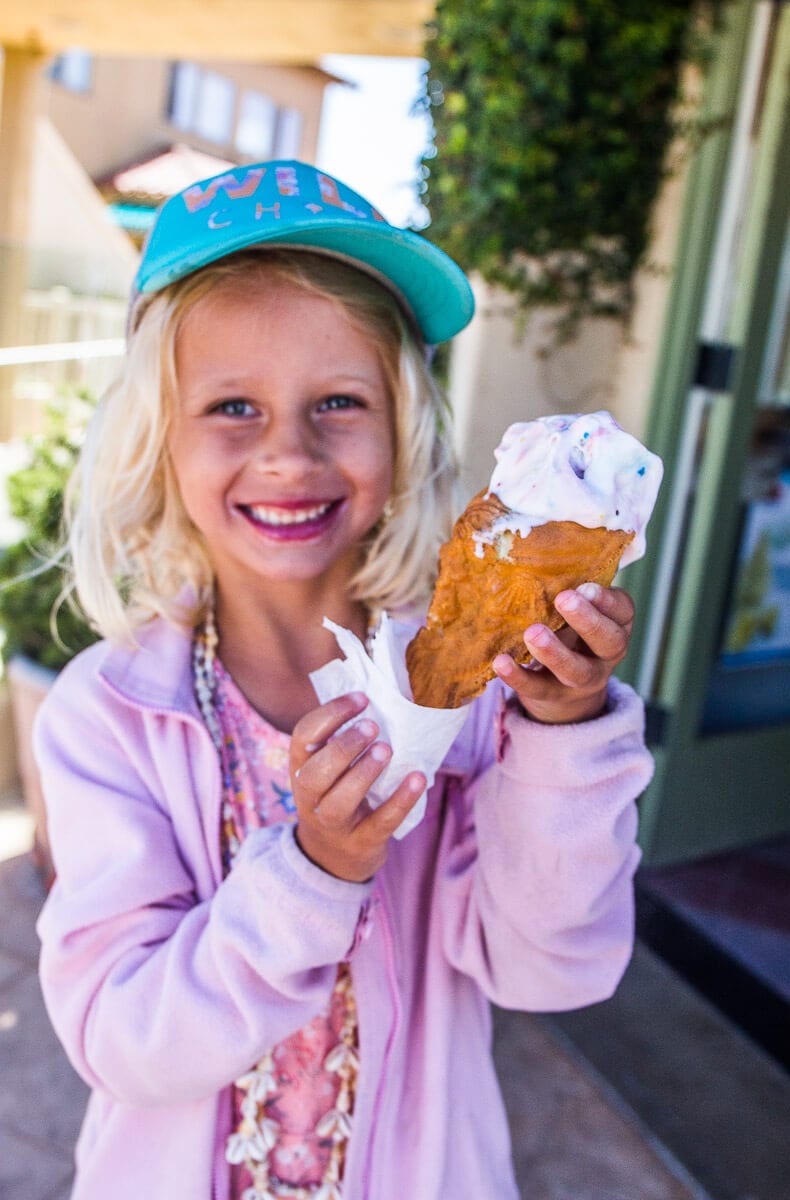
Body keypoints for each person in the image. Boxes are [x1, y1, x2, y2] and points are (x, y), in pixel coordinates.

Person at [35, 159, 653, 1200]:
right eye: (232, 405)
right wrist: (312, 871)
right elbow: (118, 1034)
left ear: (402, 430)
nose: (288, 453)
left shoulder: (463, 696)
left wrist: (560, 732)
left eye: (337, 401)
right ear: (159, 438)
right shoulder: (109, 718)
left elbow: (548, 967)